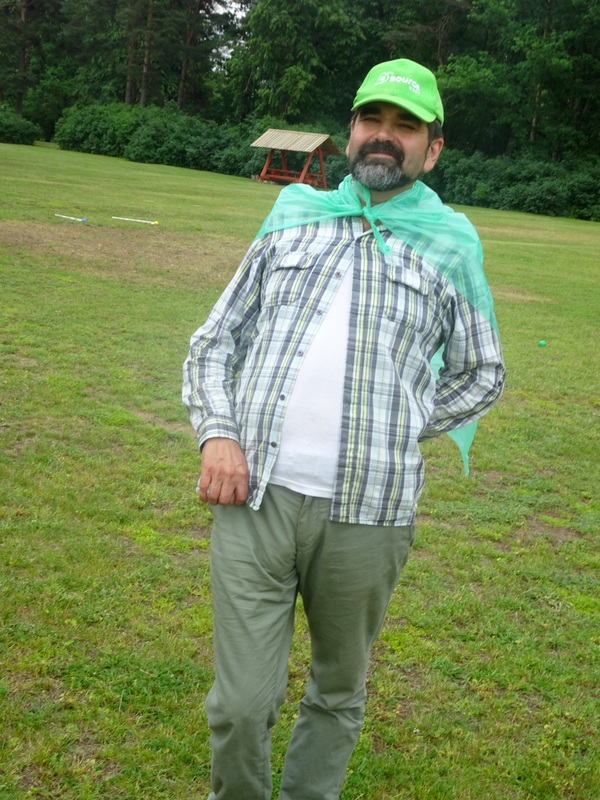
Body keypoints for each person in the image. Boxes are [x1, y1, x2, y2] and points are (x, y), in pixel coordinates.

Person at [183, 58, 505, 800]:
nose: (385, 135)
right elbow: (215, 340)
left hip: (370, 513)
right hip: (255, 497)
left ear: (432, 148)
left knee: (337, 688)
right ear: (352, 130)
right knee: (240, 705)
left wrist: (401, 424)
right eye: (372, 119)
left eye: (405, 125)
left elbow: (483, 371)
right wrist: (218, 433)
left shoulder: (451, 244)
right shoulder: (295, 215)